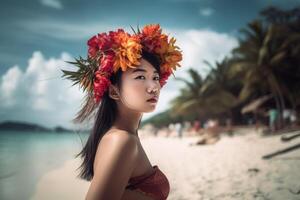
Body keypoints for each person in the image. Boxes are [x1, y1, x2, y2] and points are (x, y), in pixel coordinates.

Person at [61, 24, 183, 200]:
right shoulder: (122, 140)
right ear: (114, 91)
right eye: (140, 77)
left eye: (155, 77)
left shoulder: (124, 136)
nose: (154, 87)